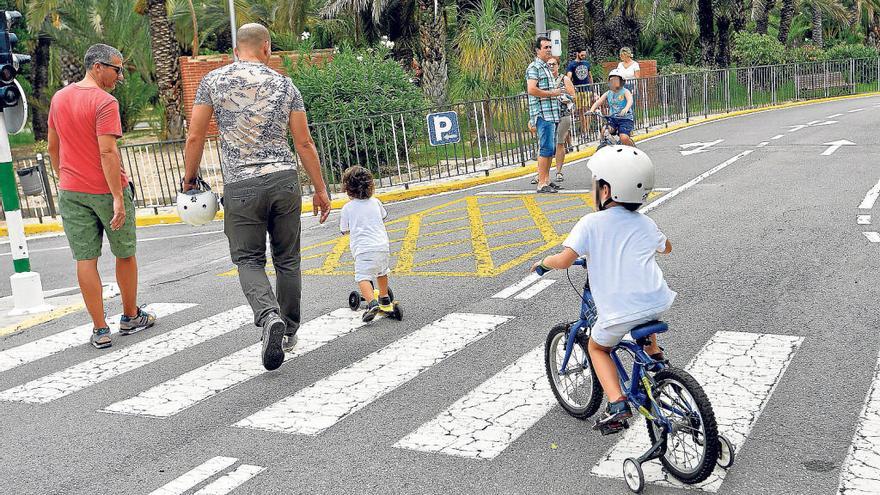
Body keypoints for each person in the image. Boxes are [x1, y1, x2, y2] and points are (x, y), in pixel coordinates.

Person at [183, 23, 331, 371]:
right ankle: (289, 331)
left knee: (249, 260)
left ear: (236, 49)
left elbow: (195, 136)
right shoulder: (285, 84)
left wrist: (189, 179)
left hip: (241, 186)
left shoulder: (212, 82)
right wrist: (321, 189)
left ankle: (268, 318)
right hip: (284, 180)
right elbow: (304, 143)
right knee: (288, 260)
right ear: (266, 47)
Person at [531, 145, 675, 433]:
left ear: (606, 191)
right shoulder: (645, 222)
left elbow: (564, 260)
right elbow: (667, 248)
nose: (591, 189)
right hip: (657, 300)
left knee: (598, 347)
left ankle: (617, 404)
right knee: (643, 313)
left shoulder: (590, 223)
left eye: (595, 184)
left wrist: (544, 264)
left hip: (620, 310)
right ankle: (656, 361)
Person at [47, 44, 156, 349]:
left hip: (71, 191)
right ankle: (131, 316)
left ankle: (99, 329)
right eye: (117, 69)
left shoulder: (59, 98)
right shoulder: (104, 102)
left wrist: (65, 177)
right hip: (106, 191)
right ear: (98, 67)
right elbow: (107, 151)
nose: (120, 77)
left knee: (85, 260)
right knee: (125, 253)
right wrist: (118, 197)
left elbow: (52, 148)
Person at [339, 166, 394, 322]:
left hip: (363, 249)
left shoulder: (347, 208)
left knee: (363, 277)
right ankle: (384, 297)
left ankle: (372, 303)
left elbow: (344, 229)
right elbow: (384, 216)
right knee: (382, 272)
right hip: (382, 246)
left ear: (347, 189)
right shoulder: (375, 202)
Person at [526, 36, 566, 194]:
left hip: (552, 113)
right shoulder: (534, 67)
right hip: (543, 114)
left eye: (550, 47)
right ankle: (541, 183)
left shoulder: (546, 67)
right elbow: (531, 90)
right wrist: (552, 93)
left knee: (550, 148)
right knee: (546, 147)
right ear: (537, 50)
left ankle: (547, 179)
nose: (549, 50)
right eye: (545, 47)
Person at [589, 69, 635, 147]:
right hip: (613, 119)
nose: (613, 83)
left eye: (616, 80)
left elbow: (630, 100)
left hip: (625, 119)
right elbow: (599, 102)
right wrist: (591, 110)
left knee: (624, 138)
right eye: (611, 80)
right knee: (604, 130)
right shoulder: (608, 93)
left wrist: (626, 109)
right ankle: (604, 146)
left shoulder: (625, 91)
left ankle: (633, 148)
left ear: (621, 81)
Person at [551, 58, 576, 183]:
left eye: (553, 64)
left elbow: (573, 96)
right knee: (545, 144)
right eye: (548, 64)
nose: (551, 66)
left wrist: (567, 99)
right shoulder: (544, 79)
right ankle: (541, 173)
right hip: (548, 116)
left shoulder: (564, 79)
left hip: (562, 114)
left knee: (559, 142)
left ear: (558, 66)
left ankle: (558, 171)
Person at [566, 49, 594, 135]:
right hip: (578, 91)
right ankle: (584, 130)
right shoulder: (572, 65)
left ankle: (587, 130)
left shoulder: (586, 63)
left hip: (586, 90)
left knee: (587, 109)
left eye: (584, 55)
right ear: (577, 54)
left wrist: (592, 88)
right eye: (582, 55)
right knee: (581, 111)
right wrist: (570, 89)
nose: (583, 56)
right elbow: (568, 77)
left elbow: (590, 76)